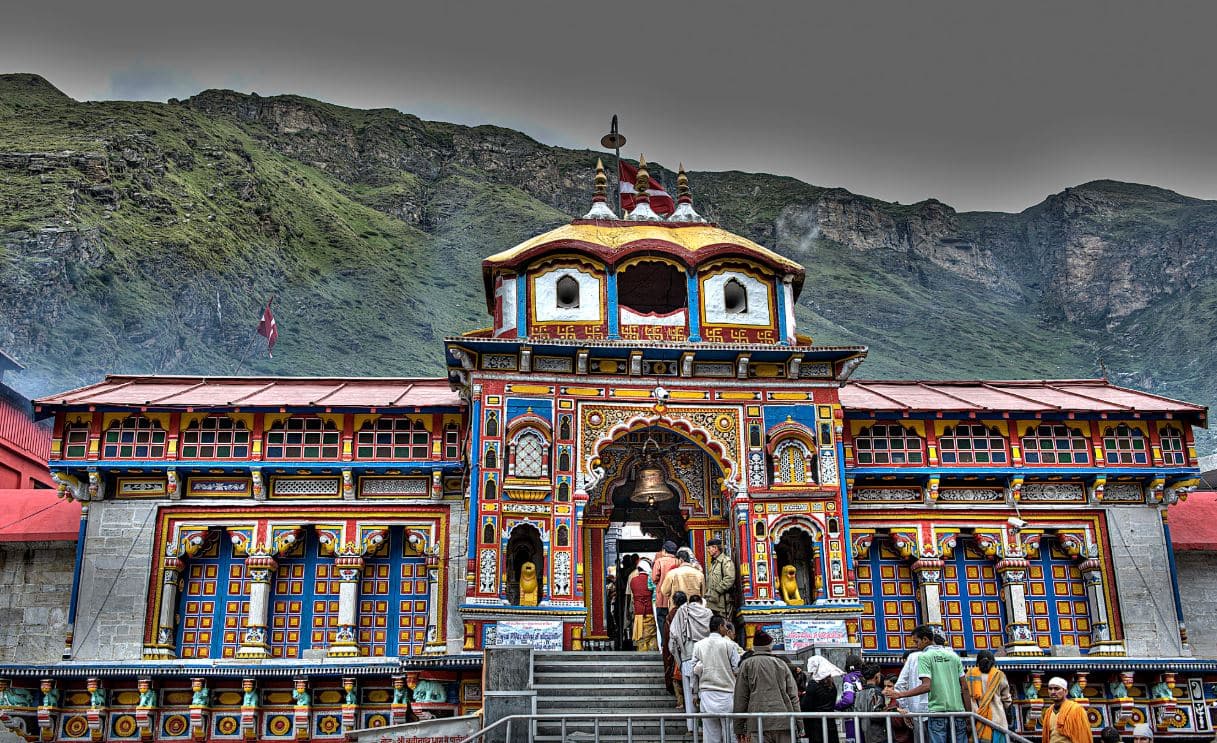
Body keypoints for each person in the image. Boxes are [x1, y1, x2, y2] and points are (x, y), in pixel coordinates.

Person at [884, 625, 972, 743]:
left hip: (935, 713)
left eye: (917, 641)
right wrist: (968, 714)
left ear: (925, 639)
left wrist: (901, 696)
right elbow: (965, 688)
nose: (916, 645)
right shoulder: (953, 656)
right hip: (957, 712)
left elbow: (926, 686)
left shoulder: (924, 657)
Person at [732, 629, 799, 743]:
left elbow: (741, 698)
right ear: (770, 645)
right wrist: (799, 724)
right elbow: (793, 696)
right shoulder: (781, 664)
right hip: (783, 721)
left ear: (754, 646)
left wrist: (738, 728)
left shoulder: (747, 664)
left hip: (757, 723)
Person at [692, 615, 743, 743]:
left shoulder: (698, 645)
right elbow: (737, 668)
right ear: (720, 626)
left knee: (710, 736)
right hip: (727, 694)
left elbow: (694, 671)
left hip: (707, 694)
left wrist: (694, 693)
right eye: (725, 626)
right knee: (730, 734)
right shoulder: (729, 645)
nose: (726, 629)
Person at [670, 594, 714, 729]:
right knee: (706, 692)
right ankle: (707, 726)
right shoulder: (709, 613)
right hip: (707, 659)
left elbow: (673, 639)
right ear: (701, 602)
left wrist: (679, 659)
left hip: (687, 658)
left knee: (689, 696)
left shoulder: (682, 611)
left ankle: (692, 727)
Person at [967, 650, 1011, 742]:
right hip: (997, 719)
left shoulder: (970, 674)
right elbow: (1006, 699)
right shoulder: (999, 675)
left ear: (978, 661)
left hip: (976, 718)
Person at [893, 645, 930, 743]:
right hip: (940, 711)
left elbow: (899, 686)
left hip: (917, 712)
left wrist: (907, 710)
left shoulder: (913, 658)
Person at [802, 656, 844, 743]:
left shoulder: (813, 685)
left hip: (816, 726)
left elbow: (805, 706)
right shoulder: (832, 686)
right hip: (831, 724)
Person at [1040, 677, 1089, 743]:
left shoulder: (1076, 709)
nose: (1053, 692)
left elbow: (1083, 736)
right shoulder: (1048, 712)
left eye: (1057, 689)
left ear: (1065, 691)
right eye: (1050, 689)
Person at [835, 654, 865, 743]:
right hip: (866, 716)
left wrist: (835, 705)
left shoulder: (848, 678)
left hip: (852, 717)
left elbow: (848, 699)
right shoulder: (864, 676)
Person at [664, 591, 689, 698]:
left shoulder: (672, 614)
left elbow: (667, 633)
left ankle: (680, 700)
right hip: (689, 647)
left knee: (676, 675)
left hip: (677, 649)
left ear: (674, 601)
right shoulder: (691, 611)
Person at [652, 541, 681, 628]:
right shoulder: (678, 561)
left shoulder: (659, 561)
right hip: (676, 598)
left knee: (662, 622)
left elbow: (654, 578)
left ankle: (665, 640)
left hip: (662, 599)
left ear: (664, 550)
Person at [629, 562, 657, 651]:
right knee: (652, 634)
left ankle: (642, 652)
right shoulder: (651, 579)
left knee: (640, 634)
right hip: (650, 610)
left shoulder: (633, 580)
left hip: (639, 612)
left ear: (639, 570)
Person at [705, 537, 736, 618]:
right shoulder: (714, 563)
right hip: (712, 603)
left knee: (723, 625)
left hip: (722, 604)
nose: (708, 550)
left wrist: (717, 591)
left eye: (709, 548)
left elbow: (729, 578)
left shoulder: (725, 561)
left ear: (715, 548)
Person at [856, 664, 887, 743]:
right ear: (877, 676)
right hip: (878, 735)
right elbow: (878, 715)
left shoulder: (859, 693)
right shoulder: (878, 692)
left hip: (864, 733)